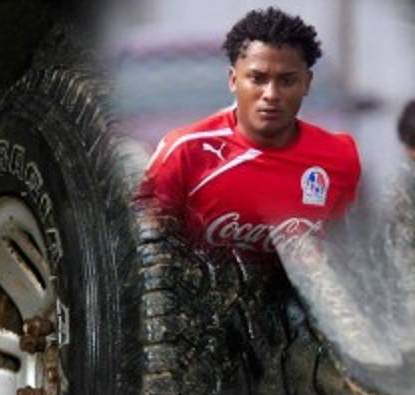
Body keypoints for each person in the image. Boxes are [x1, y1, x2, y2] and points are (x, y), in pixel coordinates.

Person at [138, 7, 361, 259]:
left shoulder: (340, 156)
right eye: (257, 79)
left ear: (307, 83)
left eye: (287, 81)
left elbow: (343, 257)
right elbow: (144, 253)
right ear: (233, 80)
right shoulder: (184, 151)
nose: (271, 94)